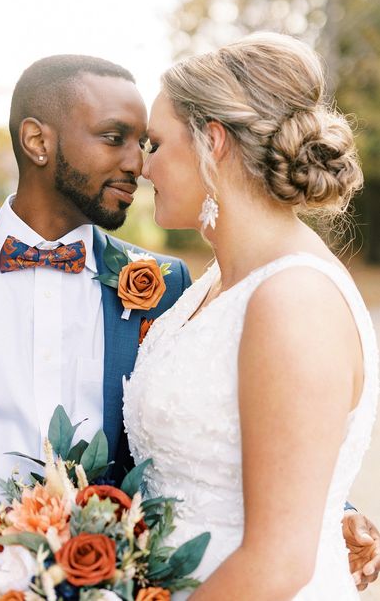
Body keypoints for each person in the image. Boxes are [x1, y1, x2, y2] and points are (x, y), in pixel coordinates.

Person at [0, 55, 192, 600]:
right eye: (115, 138)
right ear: (37, 141)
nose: (139, 164)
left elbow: (211, 419)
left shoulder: (164, 284)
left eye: (144, 144)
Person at [123, 33, 380, 599]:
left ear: (211, 142)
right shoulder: (215, 282)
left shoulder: (294, 300)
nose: (143, 167)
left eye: (156, 144)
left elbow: (280, 562)